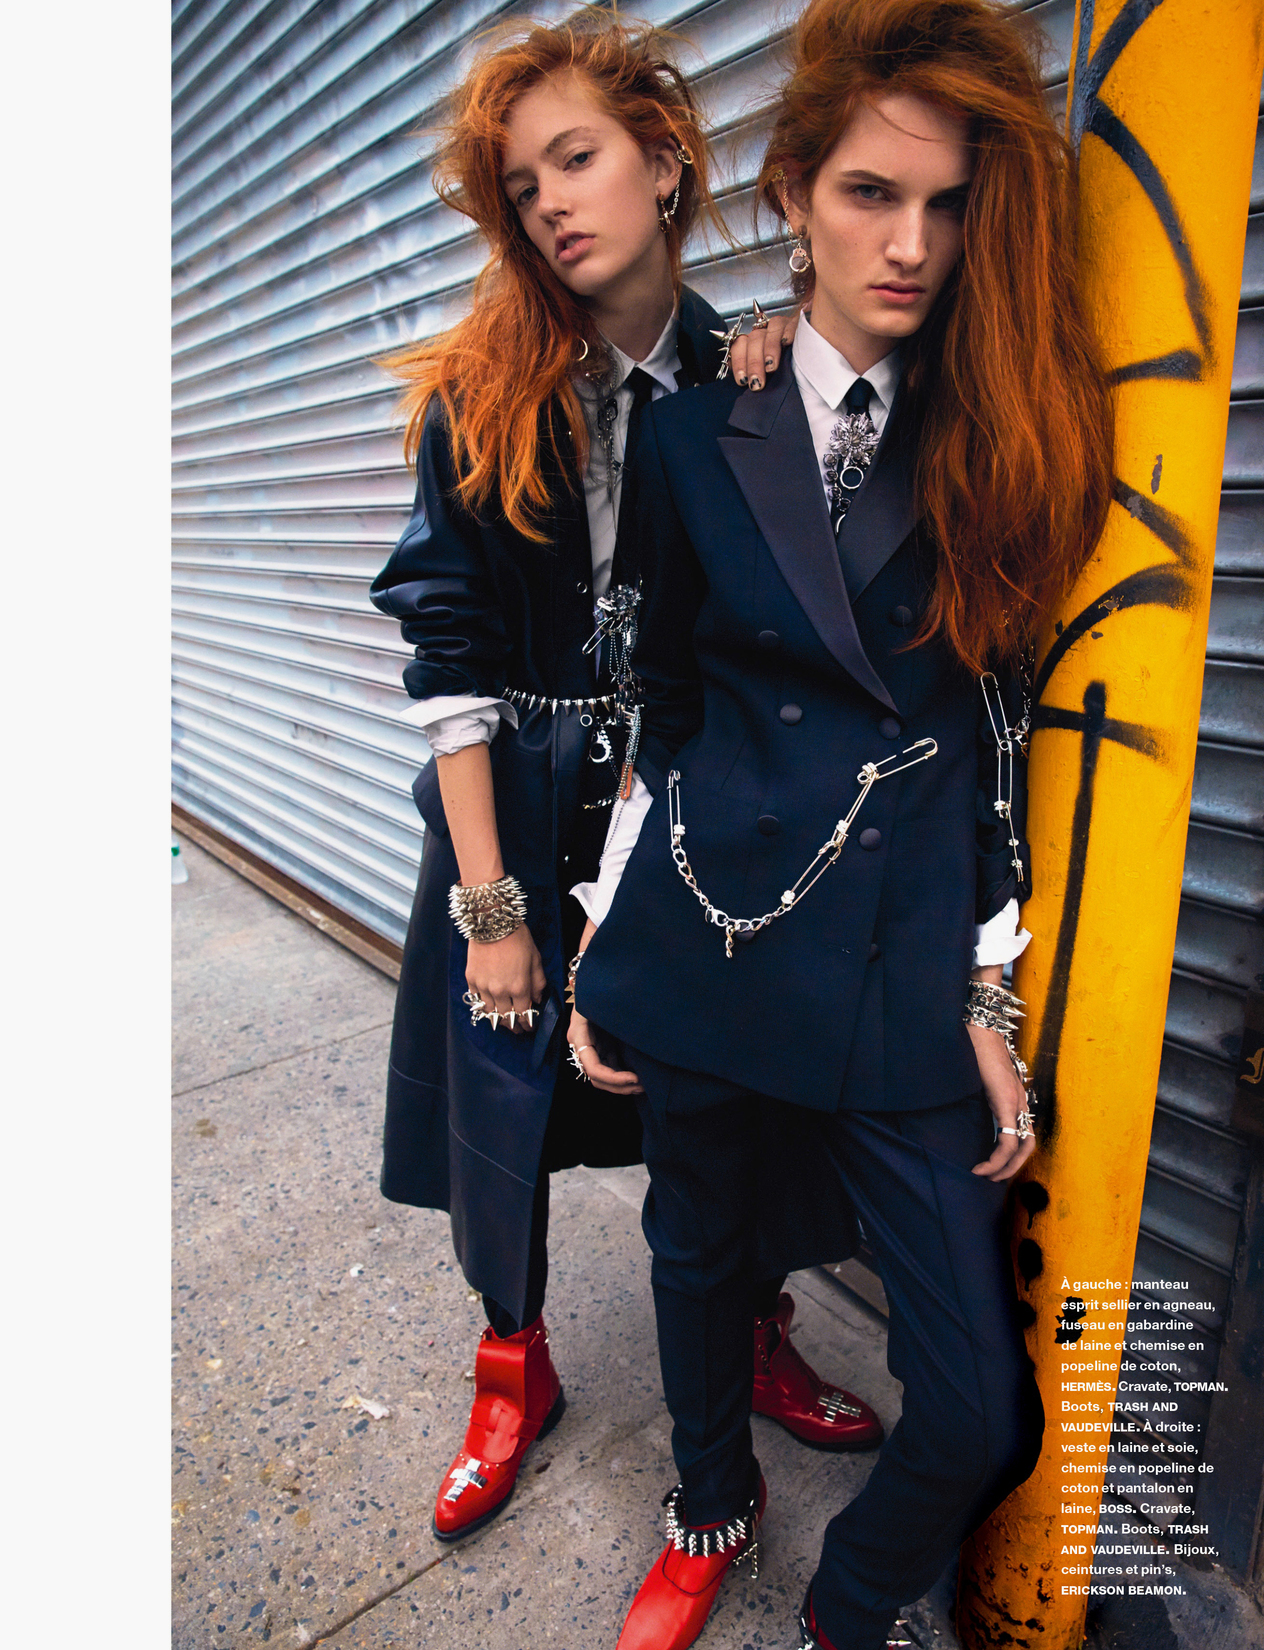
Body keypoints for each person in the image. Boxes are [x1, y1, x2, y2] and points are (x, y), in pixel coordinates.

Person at [568, 0, 1115, 1645]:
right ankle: (709, 1498)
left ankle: (851, 1596)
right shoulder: (691, 427)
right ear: (796, 190)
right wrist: (602, 926)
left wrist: (987, 995)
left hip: (892, 956)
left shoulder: (995, 429)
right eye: (874, 192)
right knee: (695, 1252)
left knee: (979, 1403)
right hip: (714, 920)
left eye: (948, 205)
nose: (914, 244)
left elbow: (996, 740)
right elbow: (660, 700)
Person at [369, 10, 882, 1548]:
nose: (550, 204)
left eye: (575, 159)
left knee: (734, 1094)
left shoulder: (754, 375)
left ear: (663, 161)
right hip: (517, 802)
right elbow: (447, 662)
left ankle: (752, 1329)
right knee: (505, 1089)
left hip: (696, 795)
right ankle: (511, 1367)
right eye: (522, 186)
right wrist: (493, 905)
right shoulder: (481, 388)